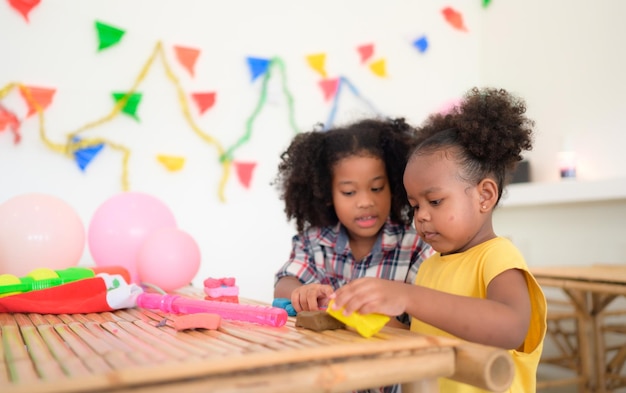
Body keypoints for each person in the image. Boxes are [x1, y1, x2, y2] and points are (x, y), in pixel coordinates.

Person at [331, 87, 547, 393]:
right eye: (415, 205)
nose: (420, 216)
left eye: (434, 202)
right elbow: (427, 341)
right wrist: (368, 316)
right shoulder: (431, 267)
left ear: (484, 196)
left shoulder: (498, 256)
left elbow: (510, 328)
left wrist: (406, 296)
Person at [273, 117, 432, 330]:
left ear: (394, 186)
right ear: (327, 194)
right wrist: (300, 293)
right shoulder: (314, 241)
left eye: (376, 188)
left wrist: (361, 318)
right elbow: (285, 282)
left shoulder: (416, 246)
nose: (366, 202)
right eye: (349, 192)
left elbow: (419, 328)